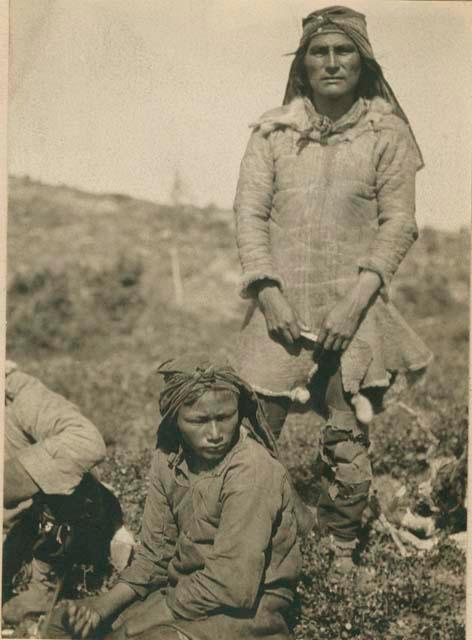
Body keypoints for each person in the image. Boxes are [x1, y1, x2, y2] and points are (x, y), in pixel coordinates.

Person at [234, 5, 433, 573]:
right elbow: (249, 215)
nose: (330, 63)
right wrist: (268, 292)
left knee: (348, 443)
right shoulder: (273, 134)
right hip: (279, 310)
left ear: (363, 61)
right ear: (303, 64)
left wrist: (354, 302)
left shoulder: (386, 135)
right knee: (251, 442)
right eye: (318, 53)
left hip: (356, 314)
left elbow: (400, 223)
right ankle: (266, 549)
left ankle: (341, 552)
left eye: (342, 51)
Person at [50, 354, 301, 640]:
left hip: (248, 612)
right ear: (175, 420)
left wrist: (132, 627)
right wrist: (100, 609)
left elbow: (233, 586)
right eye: (199, 420)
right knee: (61, 625)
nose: (215, 433)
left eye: (225, 417)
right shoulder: (169, 455)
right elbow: (155, 555)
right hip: (183, 595)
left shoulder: (252, 471)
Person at [2, 360, 125, 625]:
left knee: (61, 477)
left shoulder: (19, 394)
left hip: (42, 523)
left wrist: (9, 481)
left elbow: (86, 441)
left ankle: (42, 588)